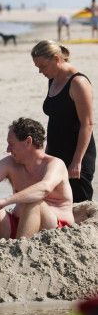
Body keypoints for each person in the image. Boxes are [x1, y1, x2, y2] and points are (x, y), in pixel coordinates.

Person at [0, 117, 75, 241]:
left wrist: (5, 201)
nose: (8, 149)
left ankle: (20, 252)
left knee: (34, 201)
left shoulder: (55, 164)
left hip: (54, 229)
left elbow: (44, 189)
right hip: (16, 225)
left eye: (11, 144)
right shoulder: (10, 163)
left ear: (28, 142)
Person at [31, 39, 96, 201]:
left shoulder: (78, 82)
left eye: (42, 66)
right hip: (55, 153)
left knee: (78, 204)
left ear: (56, 59)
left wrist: (77, 161)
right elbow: (57, 119)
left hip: (76, 153)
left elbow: (87, 124)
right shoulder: (52, 80)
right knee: (55, 202)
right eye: (37, 67)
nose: (40, 72)